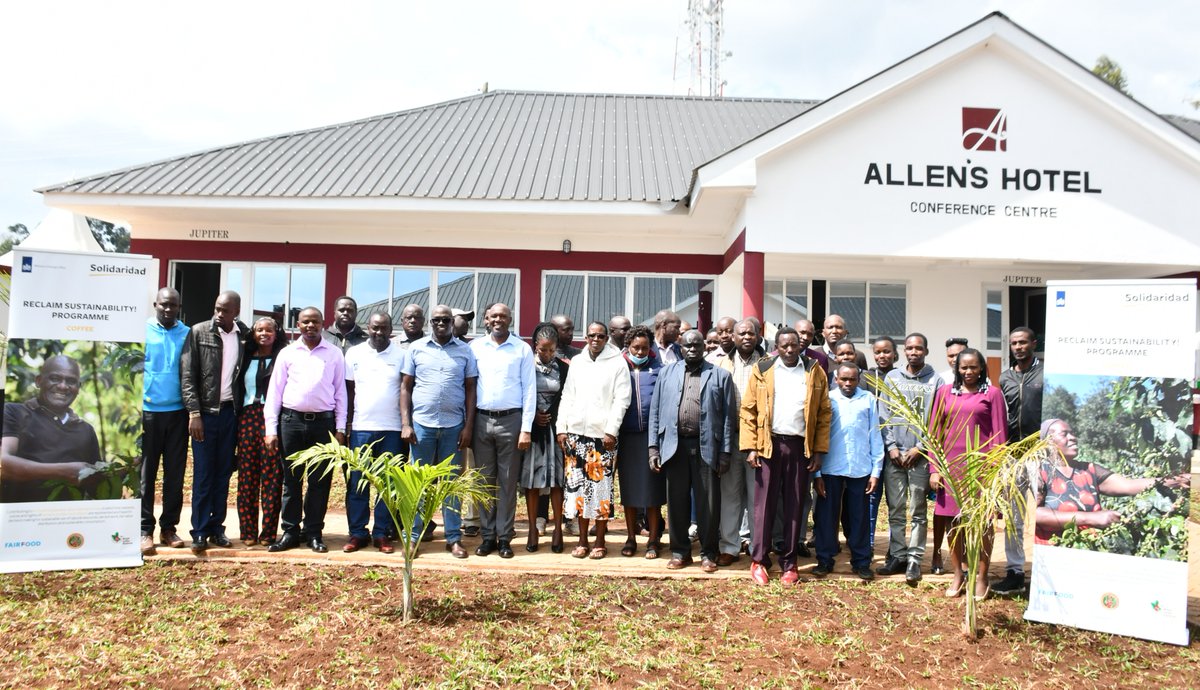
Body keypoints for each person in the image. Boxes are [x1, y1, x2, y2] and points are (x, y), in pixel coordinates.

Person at [741, 326, 831, 585]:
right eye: (784, 346)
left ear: (801, 345)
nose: (790, 350)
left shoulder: (814, 370)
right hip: (768, 445)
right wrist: (751, 447)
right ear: (776, 347)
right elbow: (748, 410)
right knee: (764, 506)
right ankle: (759, 560)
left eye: (794, 345)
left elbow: (824, 413)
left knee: (795, 505)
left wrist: (818, 451)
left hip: (799, 447)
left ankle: (790, 564)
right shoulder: (763, 369)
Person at [648, 330, 735, 572]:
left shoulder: (720, 375)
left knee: (709, 504)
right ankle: (680, 552)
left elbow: (729, 418)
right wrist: (653, 448)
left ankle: (708, 553)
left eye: (697, 345)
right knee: (677, 502)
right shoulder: (666, 373)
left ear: (704, 347)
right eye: (688, 346)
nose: (693, 349)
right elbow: (655, 412)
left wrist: (725, 452)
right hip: (674, 446)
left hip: (707, 447)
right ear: (681, 347)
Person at [264, 307, 348, 554]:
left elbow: (340, 392)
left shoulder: (334, 353)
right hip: (291, 422)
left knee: (319, 482)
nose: (310, 326)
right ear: (298, 325)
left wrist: (340, 428)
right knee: (291, 481)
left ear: (323, 324)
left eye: (315, 322)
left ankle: (313, 533)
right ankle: (290, 532)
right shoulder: (287, 353)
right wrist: (271, 429)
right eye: (305, 322)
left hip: (323, 425)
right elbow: (274, 392)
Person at [929, 347, 1007, 599]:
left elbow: (999, 436)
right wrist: (935, 469)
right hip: (950, 468)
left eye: (974, 367)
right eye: (964, 367)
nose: (969, 371)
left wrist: (995, 473)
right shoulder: (944, 392)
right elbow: (934, 434)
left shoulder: (992, 394)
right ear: (957, 369)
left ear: (982, 368)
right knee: (953, 524)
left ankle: (982, 576)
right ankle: (958, 574)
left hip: (981, 469)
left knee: (983, 524)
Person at [1034, 419, 1190, 543]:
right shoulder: (1039, 470)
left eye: (1072, 433)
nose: (1073, 437)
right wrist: (1092, 518)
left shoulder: (1089, 470)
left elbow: (1129, 485)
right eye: (1065, 434)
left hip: (1089, 544)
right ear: (1047, 441)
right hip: (1050, 547)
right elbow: (1034, 513)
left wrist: (1176, 480)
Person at [401, 304, 477, 557]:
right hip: (422, 427)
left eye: (446, 320)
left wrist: (468, 426)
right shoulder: (416, 348)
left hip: (454, 427)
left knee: (451, 485)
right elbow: (406, 387)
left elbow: (470, 389)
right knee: (418, 484)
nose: (441, 324)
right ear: (430, 323)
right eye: (437, 320)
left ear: (452, 323)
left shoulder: (465, 351)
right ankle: (413, 536)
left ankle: (453, 537)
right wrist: (406, 423)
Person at [557, 321, 631, 559]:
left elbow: (622, 399)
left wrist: (611, 431)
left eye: (600, 336)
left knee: (599, 490)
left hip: (602, 437)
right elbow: (567, 396)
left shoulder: (617, 362)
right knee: (578, 489)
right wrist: (561, 428)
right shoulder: (578, 361)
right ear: (586, 337)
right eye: (591, 336)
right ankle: (582, 540)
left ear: (607, 338)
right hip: (576, 435)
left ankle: (599, 540)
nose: (596, 340)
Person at [181, 291, 248, 553]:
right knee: (203, 475)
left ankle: (216, 528)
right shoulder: (199, 332)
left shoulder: (244, 335)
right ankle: (199, 531)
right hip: (205, 415)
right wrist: (194, 413)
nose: (219, 314)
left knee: (223, 473)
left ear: (236, 311)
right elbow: (188, 375)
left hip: (231, 414)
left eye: (225, 310)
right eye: (217, 308)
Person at [470, 302, 535, 558]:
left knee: (508, 482)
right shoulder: (475, 348)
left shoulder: (522, 349)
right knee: (484, 482)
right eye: (493, 316)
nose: (498, 320)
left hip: (511, 421)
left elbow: (529, 389)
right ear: (486, 320)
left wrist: (526, 428)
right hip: (481, 420)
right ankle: (488, 537)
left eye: (503, 316)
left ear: (510, 320)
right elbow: (469, 387)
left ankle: (505, 537)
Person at [876, 333, 940, 584]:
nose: (914, 352)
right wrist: (891, 447)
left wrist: (920, 448)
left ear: (926, 351)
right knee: (895, 509)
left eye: (918, 348)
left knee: (918, 511)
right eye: (910, 348)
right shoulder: (892, 377)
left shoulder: (936, 380)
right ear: (903, 351)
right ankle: (898, 555)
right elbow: (883, 414)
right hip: (895, 457)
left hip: (920, 458)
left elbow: (937, 419)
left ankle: (914, 558)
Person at [342, 312, 406, 554]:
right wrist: (346, 425)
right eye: (375, 328)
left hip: (392, 429)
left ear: (391, 329)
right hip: (361, 428)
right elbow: (348, 391)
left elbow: (406, 390)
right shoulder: (354, 353)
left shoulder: (401, 355)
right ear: (367, 328)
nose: (379, 332)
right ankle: (358, 533)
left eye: (384, 328)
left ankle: (382, 533)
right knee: (357, 484)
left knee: (387, 485)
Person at [813, 363, 883, 580]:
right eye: (844, 379)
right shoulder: (828, 399)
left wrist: (876, 471)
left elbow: (875, 435)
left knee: (859, 517)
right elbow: (818, 434)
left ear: (858, 379)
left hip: (860, 467)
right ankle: (824, 560)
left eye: (852, 379)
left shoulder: (868, 399)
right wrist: (817, 474)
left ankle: (861, 562)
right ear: (836, 379)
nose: (848, 383)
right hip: (830, 467)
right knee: (826, 516)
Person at [1, 356, 102, 503]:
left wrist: (128, 468)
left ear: (78, 387)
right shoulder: (13, 412)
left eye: (71, 381)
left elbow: (97, 486)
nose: (63, 386)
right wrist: (64, 472)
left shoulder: (86, 430)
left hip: (70, 516)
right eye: (55, 378)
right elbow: (3, 465)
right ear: (39, 381)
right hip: (21, 514)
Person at [140, 287, 189, 554]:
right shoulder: (141, 331)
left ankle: (168, 528)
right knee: (146, 475)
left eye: (173, 305)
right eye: (164, 305)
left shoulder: (187, 333)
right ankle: (144, 530)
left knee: (175, 475)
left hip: (178, 413)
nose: (168, 309)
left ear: (179, 307)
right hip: (147, 412)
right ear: (155, 304)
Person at [995, 326, 1044, 595]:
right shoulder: (1005, 377)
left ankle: (1049, 569)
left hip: (1042, 454)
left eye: (1023, 342)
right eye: (1014, 343)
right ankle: (1014, 571)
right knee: (1013, 515)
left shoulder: (1045, 374)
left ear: (1033, 343)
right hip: (1013, 454)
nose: (1018, 347)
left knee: (1047, 513)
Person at [234, 316, 286, 547]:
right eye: (259, 330)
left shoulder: (283, 356)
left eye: (269, 330)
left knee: (272, 477)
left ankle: (268, 533)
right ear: (253, 334)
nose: (264, 334)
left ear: (276, 333)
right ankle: (247, 531)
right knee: (247, 477)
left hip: (273, 419)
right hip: (247, 419)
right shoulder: (245, 356)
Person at [715, 318, 762, 565]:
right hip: (729, 438)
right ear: (733, 337)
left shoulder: (767, 364)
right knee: (730, 495)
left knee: (756, 497)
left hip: (758, 441)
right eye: (741, 334)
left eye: (750, 334)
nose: (746, 337)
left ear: (758, 336)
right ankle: (729, 547)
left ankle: (757, 547)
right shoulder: (720, 363)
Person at [617, 325, 666, 559]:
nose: (639, 352)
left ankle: (654, 539)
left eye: (644, 348)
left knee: (652, 490)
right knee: (629, 490)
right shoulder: (619, 367)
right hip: (626, 436)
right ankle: (631, 537)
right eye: (636, 347)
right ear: (628, 346)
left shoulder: (659, 368)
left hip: (651, 436)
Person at [522, 324, 570, 553]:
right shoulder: (526, 366)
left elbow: (568, 398)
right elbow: (519, 393)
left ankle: (558, 528)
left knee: (557, 481)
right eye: (543, 350)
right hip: (532, 432)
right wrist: (532, 417)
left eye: (552, 350)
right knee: (532, 481)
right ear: (535, 346)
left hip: (556, 430)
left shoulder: (564, 368)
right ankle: (532, 529)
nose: (548, 354)